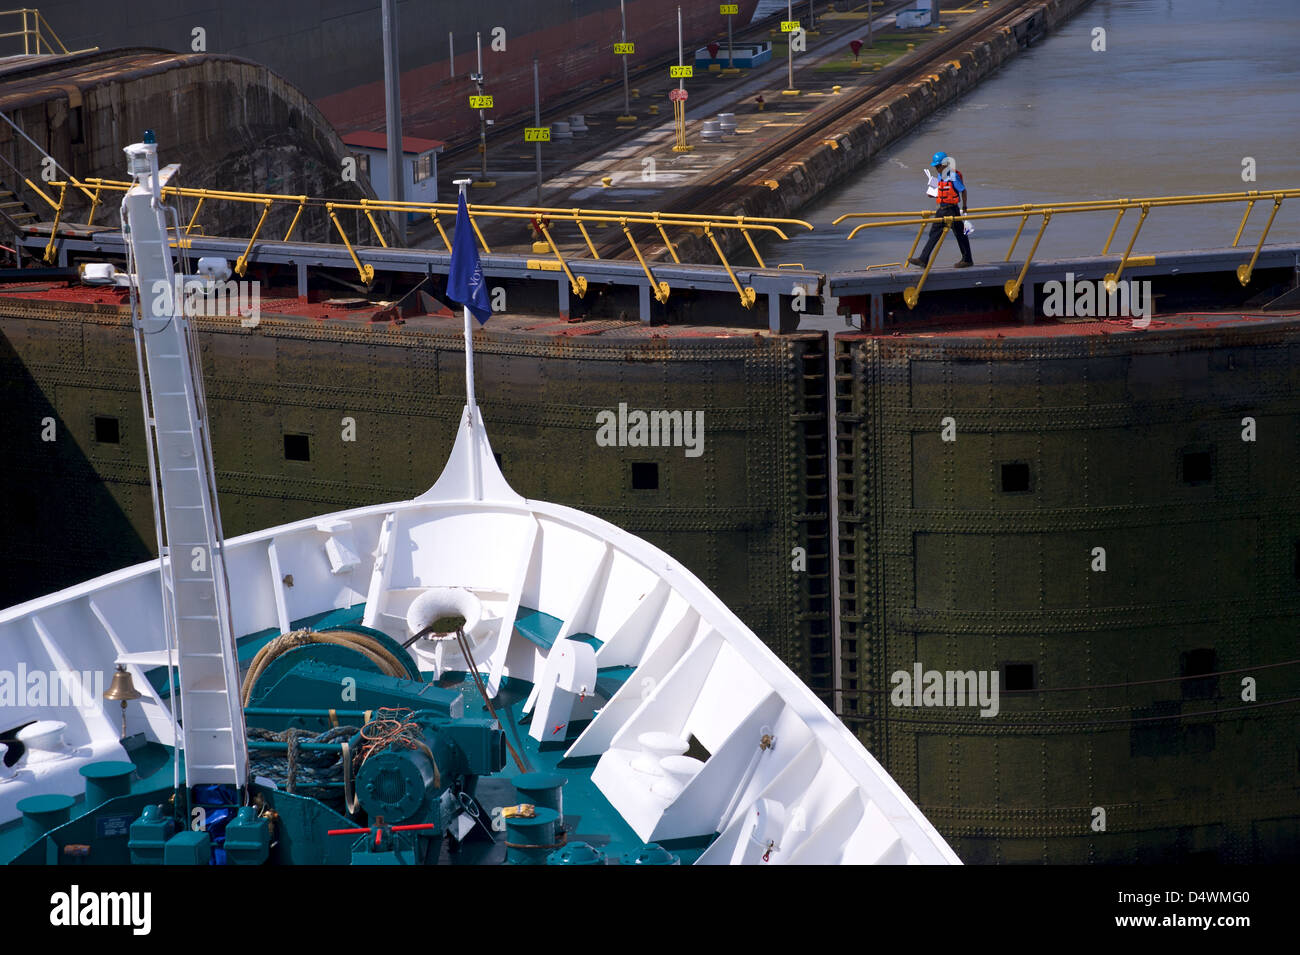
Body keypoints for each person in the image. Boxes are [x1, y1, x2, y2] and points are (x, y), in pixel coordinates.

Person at [909, 150, 973, 269]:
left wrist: (965, 206)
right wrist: (932, 193)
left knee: (938, 233)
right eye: (936, 167)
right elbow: (940, 192)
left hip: (950, 209)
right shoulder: (939, 176)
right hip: (943, 208)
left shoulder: (953, 176)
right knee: (957, 234)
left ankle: (923, 259)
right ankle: (967, 259)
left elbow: (963, 190)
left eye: (938, 166)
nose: (937, 169)